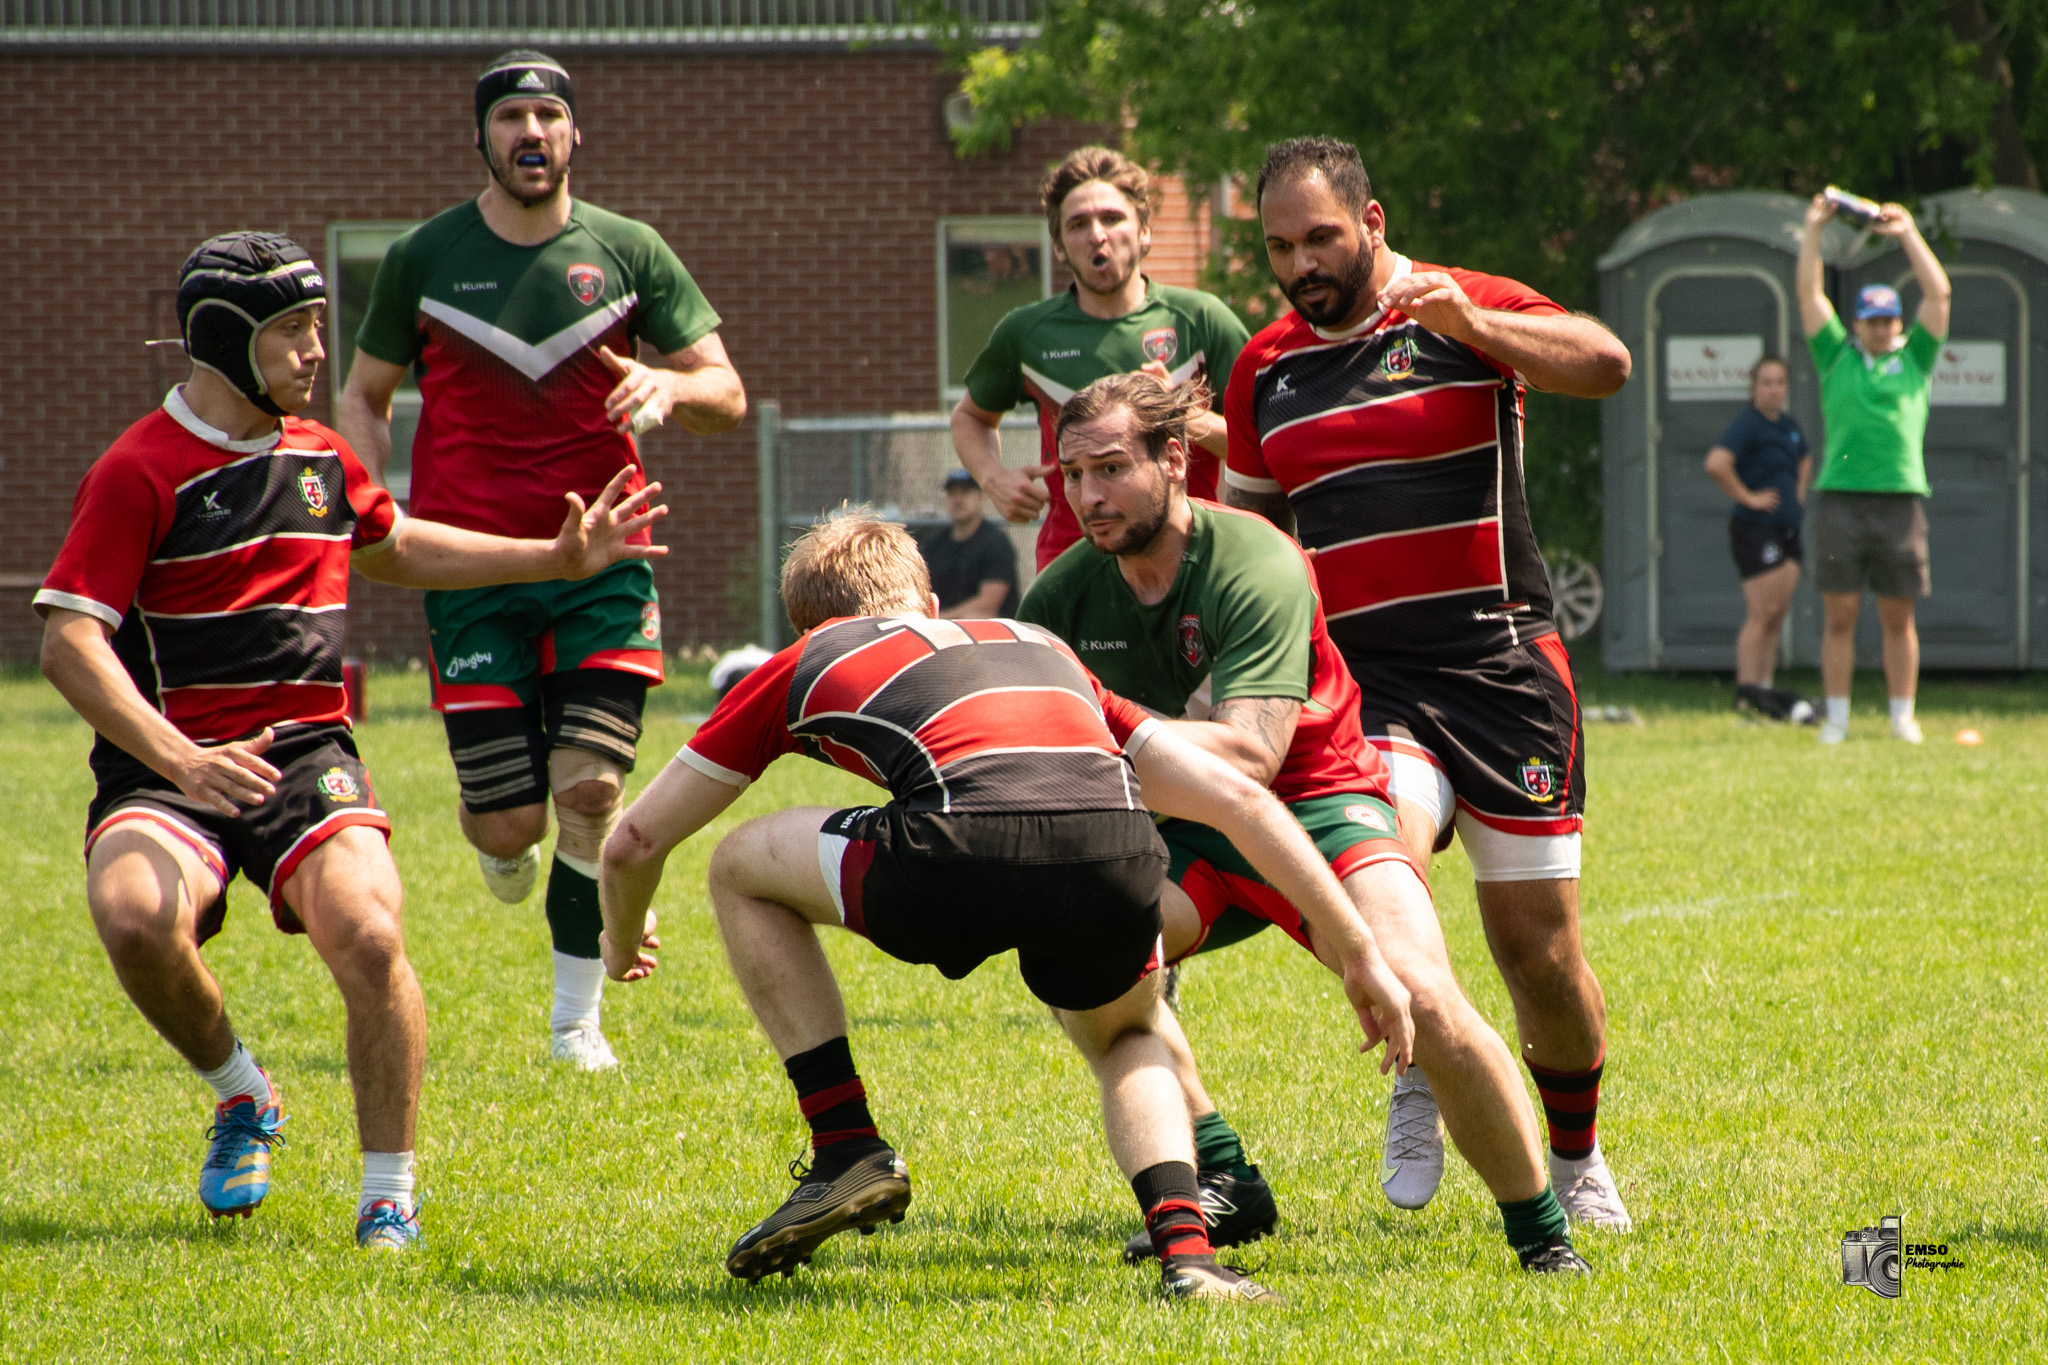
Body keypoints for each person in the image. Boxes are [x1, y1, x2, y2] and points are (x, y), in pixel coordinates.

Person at [597, 512, 1419, 1303]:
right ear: (930, 604)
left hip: (950, 851)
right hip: (1116, 851)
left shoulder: (810, 657)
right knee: (1127, 1033)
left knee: (739, 863)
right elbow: (1238, 799)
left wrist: (622, 940)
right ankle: (1189, 1256)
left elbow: (634, 840)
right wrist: (1359, 953)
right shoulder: (1042, 646)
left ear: (808, 628)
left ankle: (845, 1144)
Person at [34, 232, 666, 1250]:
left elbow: (394, 543)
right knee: (135, 918)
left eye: (318, 325)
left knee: (370, 935)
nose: (317, 350)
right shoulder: (137, 468)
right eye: (291, 329)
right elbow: (69, 641)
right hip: (170, 765)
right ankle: (243, 1093)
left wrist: (551, 556)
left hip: (304, 756)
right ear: (224, 339)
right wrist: (181, 759)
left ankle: (387, 1198)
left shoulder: (322, 454)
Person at [1020, 373, 1590, 1275]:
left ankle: (1542, 1236)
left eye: (1113, 468)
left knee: (1420, 990)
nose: (1090, 495)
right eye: (1074, 474)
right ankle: (1223, 1170)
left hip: (1316, 802)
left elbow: (1252, 756)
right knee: (1079, 954)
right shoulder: (1061, 597)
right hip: (1182, 831)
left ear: (1176, 459)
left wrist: (1098, 734)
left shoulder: (1256, 559)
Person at [1222, 136, 1636, 1232]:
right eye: (1278, 247)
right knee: (1384, 878)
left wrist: (1477, 329)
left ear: (1371, 221)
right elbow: (1251, 544)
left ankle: (1578, 1154)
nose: (1301, 265)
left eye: (1319, 238)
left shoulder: (1456, 304)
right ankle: (1422, 1064)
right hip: (1369, 686)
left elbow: (1604, 364)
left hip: (1504, 670)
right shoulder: (1265, 368)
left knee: (1540, 956)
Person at [335, 49, 746, 1071]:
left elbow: (726, 394)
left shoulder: (629, 250)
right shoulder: (424, 257)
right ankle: (502, 840)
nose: (531, 132)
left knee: (592, 793)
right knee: (509, 825)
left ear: (574, 135)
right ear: (481, 138)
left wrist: (669, 387)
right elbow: (364, 397)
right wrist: (367, 498)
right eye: (511, 117)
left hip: (606, 560)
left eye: (547, 116)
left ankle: (575, 1023)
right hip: (472, 569)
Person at [951, 146, 1250, 570]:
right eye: (1078, 224)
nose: (1097, 235)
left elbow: (1263, 445)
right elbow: (970, 417)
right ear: (1058, 246)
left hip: (1189, 562)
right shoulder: (1026, 332)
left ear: (1144, 232)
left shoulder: (1201, 320)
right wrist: (992, 477)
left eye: (1112, 218)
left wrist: (1184, 415)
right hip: (1074, 565)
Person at [1795, 193, 1952, 745]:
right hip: (1841, 498)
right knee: (1839, 614)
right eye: (1872, 321)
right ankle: (1837, 718)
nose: (1881, 329)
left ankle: (1902, 717)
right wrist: (1814, 229)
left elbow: (1940, 294)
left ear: (1898, 323)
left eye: (1888, 320)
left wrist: (1907, 233)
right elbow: (1810, 295)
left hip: (1900, 500)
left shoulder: (1915, 360)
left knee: (1898, 617)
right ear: (1858, 324)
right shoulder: (1836, 356)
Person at [1703, 356, 1814, 719]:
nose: (1774, 389)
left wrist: (1798, 494)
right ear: (1754, 387)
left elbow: (1805, 458)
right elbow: (1716, 463)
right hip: (1756, 529)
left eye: (1780, 382)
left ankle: (1765, 691)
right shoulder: (1748, 424)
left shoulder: (1789, 425)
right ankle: (1746, 693)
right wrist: (1748, 497)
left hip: (1789, 528)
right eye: (1766, 382)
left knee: (1777, 614)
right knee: (1761, 613)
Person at [917, 469, 1018, 617]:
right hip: (939, 624)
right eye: (952, 493)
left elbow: (987, 606)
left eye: (965, 492)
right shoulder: (934, 543)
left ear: (981, 495)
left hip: (986, 628)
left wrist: (939, 619)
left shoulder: (996, 543)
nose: (958, 500)